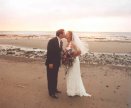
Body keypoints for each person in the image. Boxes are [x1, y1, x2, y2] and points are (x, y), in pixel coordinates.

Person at [65, 31, 91, 97]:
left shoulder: (73, 43)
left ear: (70, 36)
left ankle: (74, 91)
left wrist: (72, 56)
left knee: (73, 74)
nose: (66, 35)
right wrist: (66, 56)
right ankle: (71, 90)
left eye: (67, 34)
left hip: (74, 61)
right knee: (70, 74)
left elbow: (79, 51)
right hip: (70, 61)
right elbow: (66, 52)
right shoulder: (68, 43)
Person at [45, 29, 65, 99]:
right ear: (60, 34)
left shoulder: (61, 42)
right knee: (51, 78)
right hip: (51, 63)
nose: (64, 34)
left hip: (57, 63)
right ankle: (51, 93)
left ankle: (55, 89)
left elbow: (59, 52)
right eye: (64, 33)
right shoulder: (52, 41)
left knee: (55, 77)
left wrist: (64, 55)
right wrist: (50, 63)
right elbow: (49, 52)